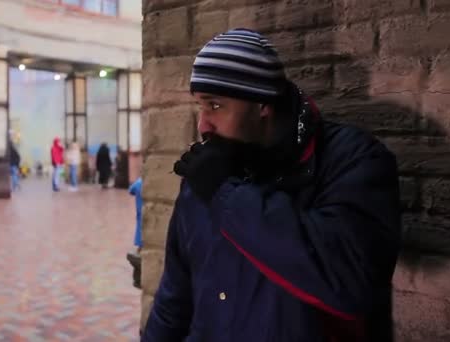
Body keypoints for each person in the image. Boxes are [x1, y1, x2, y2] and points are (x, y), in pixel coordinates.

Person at [142, 29, 402, 341]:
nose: (202, 125)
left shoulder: (352, 159)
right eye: (200, 106)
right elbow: (175, 298)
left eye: (215, 106)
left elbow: (351, 280)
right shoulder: (207, 173)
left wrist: (225, 193)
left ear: (262, 103)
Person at [129, 177, 143, 251]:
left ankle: (140, 246)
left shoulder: (139, 182)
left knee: (140, 226)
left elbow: (131, 191)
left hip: (140, 210)